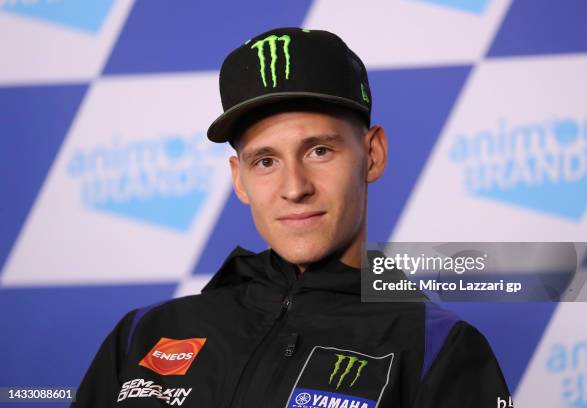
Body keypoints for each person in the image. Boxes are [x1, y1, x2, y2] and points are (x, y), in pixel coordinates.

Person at [73, 27, 511, 408]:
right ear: (239, 178)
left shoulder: (437, 348)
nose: (294, 187)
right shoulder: (143, 334)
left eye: (319, 151)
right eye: (265, 161)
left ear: (372, 155)